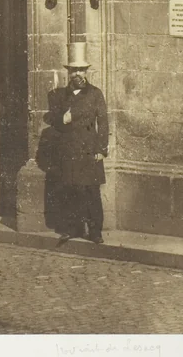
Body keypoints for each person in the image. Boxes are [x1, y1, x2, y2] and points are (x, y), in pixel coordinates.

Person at [46, 42, 109, 244]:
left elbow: (104, 122)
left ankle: (95, 231)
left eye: (81, 70)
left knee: (91, 191)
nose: (78, 74)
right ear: (69, 73)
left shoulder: (95, 94)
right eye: (74, 70)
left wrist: (102, 149)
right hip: (68, 151)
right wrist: (61, 120)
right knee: (69, 190)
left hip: (90, 150)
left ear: (86, 72)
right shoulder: (60, 96)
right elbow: (53, 119)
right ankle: (72, 228)